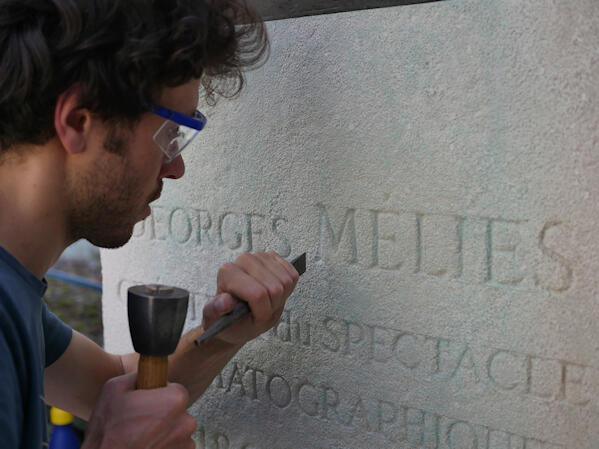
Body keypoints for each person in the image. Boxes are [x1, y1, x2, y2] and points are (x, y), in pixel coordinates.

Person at [0, 1, 299, 448]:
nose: (175, 168)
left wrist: (220, 336)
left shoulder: (15, 295)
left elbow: (112, 384)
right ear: (79, 121)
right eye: (170, 133)